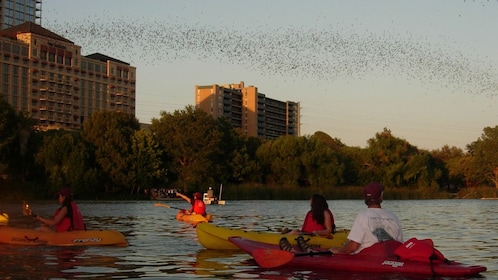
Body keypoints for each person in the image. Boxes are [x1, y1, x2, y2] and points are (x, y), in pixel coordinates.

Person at [329, 182, 402, 255]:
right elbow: (399, 245)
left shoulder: (363, 215)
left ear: (365, 198)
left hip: (368, 257)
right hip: (389, 256)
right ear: (381, 197)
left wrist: (338, 250)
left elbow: (353, 247)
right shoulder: (394, 217)